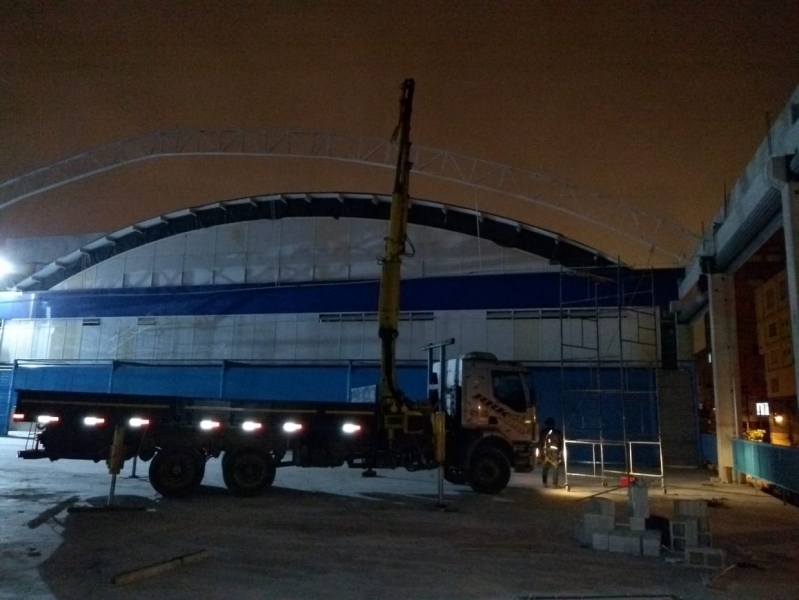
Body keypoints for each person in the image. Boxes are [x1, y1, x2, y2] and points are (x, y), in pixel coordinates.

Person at [539, 417, 563, 488]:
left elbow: (540, 442)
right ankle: (554, 484)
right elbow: (561, 442)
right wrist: (560, 452)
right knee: (555, 467)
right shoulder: (557, 432)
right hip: (554, 452)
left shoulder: (543, 432)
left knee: (545, 467)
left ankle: (544, 483)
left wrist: (541, 452)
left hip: (545, 451)